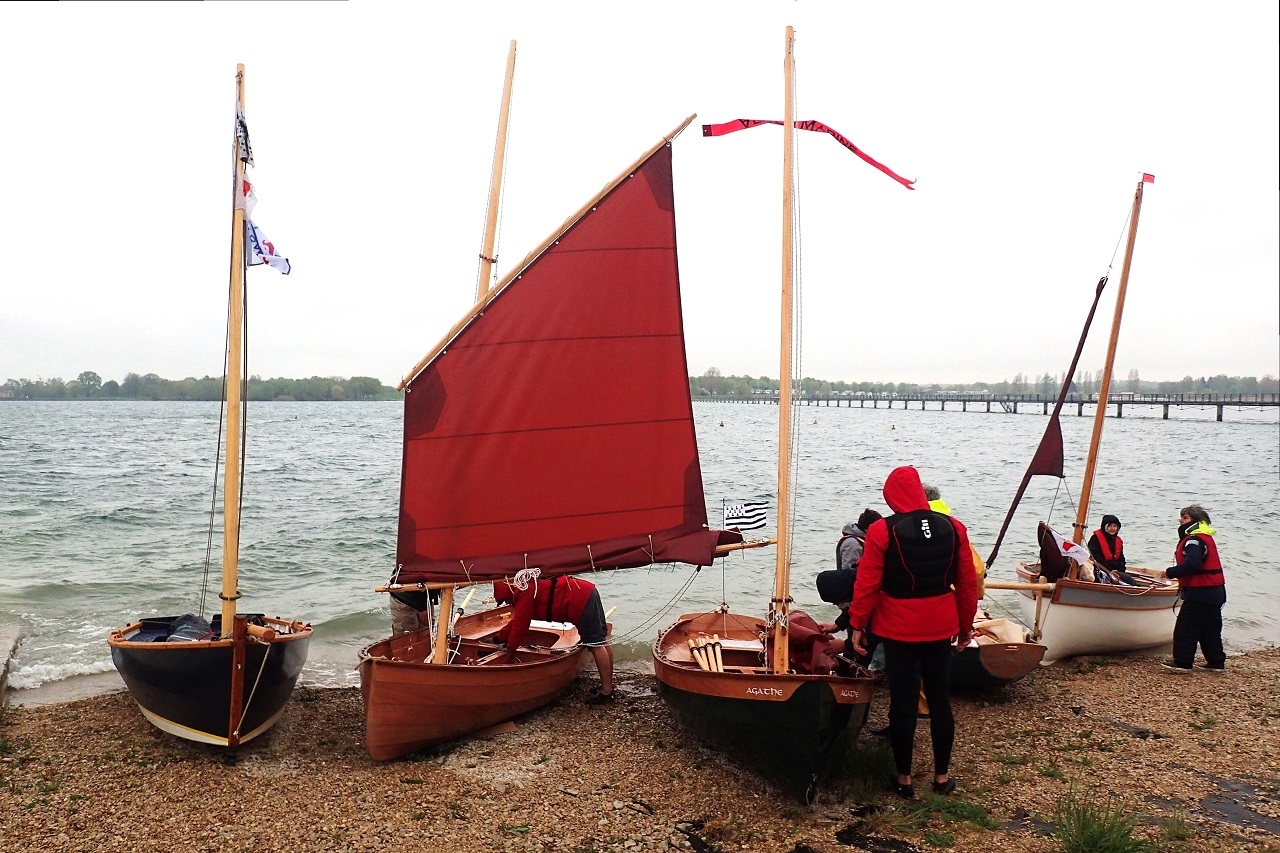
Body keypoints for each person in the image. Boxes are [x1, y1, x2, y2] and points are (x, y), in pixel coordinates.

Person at [849, 466, 978, 799]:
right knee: (939, 700)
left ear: (892, 496)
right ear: (920, 492)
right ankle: (941, 777)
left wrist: (856, 625)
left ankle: (904, 781)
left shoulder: (881, 531)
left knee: (903, 703)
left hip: (899, 627)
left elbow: (867, 585)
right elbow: (966, 584)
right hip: (940, 624)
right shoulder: (954, 527)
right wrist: (966, 627)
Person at [493, 570, 616, 703]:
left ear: (506, 592)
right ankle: (607, 685)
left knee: (595, 645)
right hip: (587, 590)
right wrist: (499, 639)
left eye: (504, 600)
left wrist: (511, 648)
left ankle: (606, 692)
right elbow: (518, 620)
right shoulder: (524, 585)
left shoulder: (523, 591)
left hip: (580, 598)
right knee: (600, 640)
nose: (506, 603)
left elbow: (521, 624)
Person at [1159, 505, 1227, 673]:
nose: (1180, 521)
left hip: (1201, 592)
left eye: (1185, 518)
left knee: (1186, 628)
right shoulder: (1205, 537)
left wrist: (1170, 572)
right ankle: (1216, 662)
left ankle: (1183, 662)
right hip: (1215, 591)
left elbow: (1192, 564)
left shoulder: (1194, 540)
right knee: (1209, 628)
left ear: (1196, 521)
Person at [816, 508, 883, 660]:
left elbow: (878, 633)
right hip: (856, 604)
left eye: (836, 601)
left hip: (890, 638)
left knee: (863, 645)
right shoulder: (854, 545)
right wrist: (837, 625)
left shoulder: (875, 589)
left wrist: (844, 644)